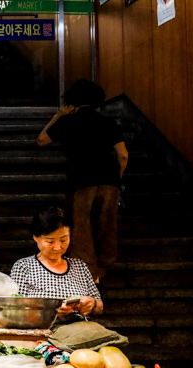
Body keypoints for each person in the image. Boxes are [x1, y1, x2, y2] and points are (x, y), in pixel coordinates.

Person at [36, 79, 129, 281]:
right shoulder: (108, 122)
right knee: (107, 225)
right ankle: (103, 268)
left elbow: (41, 140)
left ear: (72, 99)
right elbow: (123, 155)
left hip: (80, 180)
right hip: (109, 180)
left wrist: (58, 116)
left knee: (81, 229)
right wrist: (117, 179)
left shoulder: (67, 121)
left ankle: (88, 274)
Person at [10, 207, 103, 320]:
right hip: (44, 330)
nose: (58, 247)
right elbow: (15, 309)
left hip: (81, 329)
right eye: (50, 241)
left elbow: (99, 306)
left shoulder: (80, 266)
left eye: (64, 240)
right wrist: (51, 312)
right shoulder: (24, 267)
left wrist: (92, 304)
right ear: (35, 237)